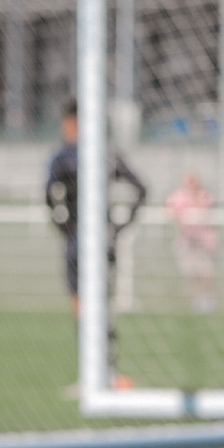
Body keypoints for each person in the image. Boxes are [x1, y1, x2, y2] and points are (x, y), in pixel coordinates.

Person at [45, 98, 146, 386]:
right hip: (104, 241)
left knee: (83, 308)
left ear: (70, 122)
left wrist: (63, 226)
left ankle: (94, 378)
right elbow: (141, 188)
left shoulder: (64, 156)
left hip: (78, 242)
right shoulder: (107, 153)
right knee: (101, 308)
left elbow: (48, 195)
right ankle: (106, 373)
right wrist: (120, 226)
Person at [165, 171, 218, 313]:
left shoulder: (204, 195)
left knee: (206, 272)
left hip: (203, 241)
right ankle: (197, 299)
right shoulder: (179, 196)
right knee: (191, 272)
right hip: (187, 240)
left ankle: (207, 298)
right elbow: (170, 211)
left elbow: (206, 211)